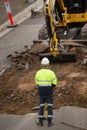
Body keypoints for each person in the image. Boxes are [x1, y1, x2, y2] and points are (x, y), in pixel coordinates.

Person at [35, 57, 57, 127]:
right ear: (48, 64)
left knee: (41, 106)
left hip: (41, 92)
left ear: (41, 64)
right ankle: (49, 122)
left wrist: (41, 87)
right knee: (49, 106)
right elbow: (54, 83)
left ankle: (40, 122)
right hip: (49, 92)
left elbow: (37, 83)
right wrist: (50, 88)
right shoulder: (51, 73)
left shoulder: (38, 72)